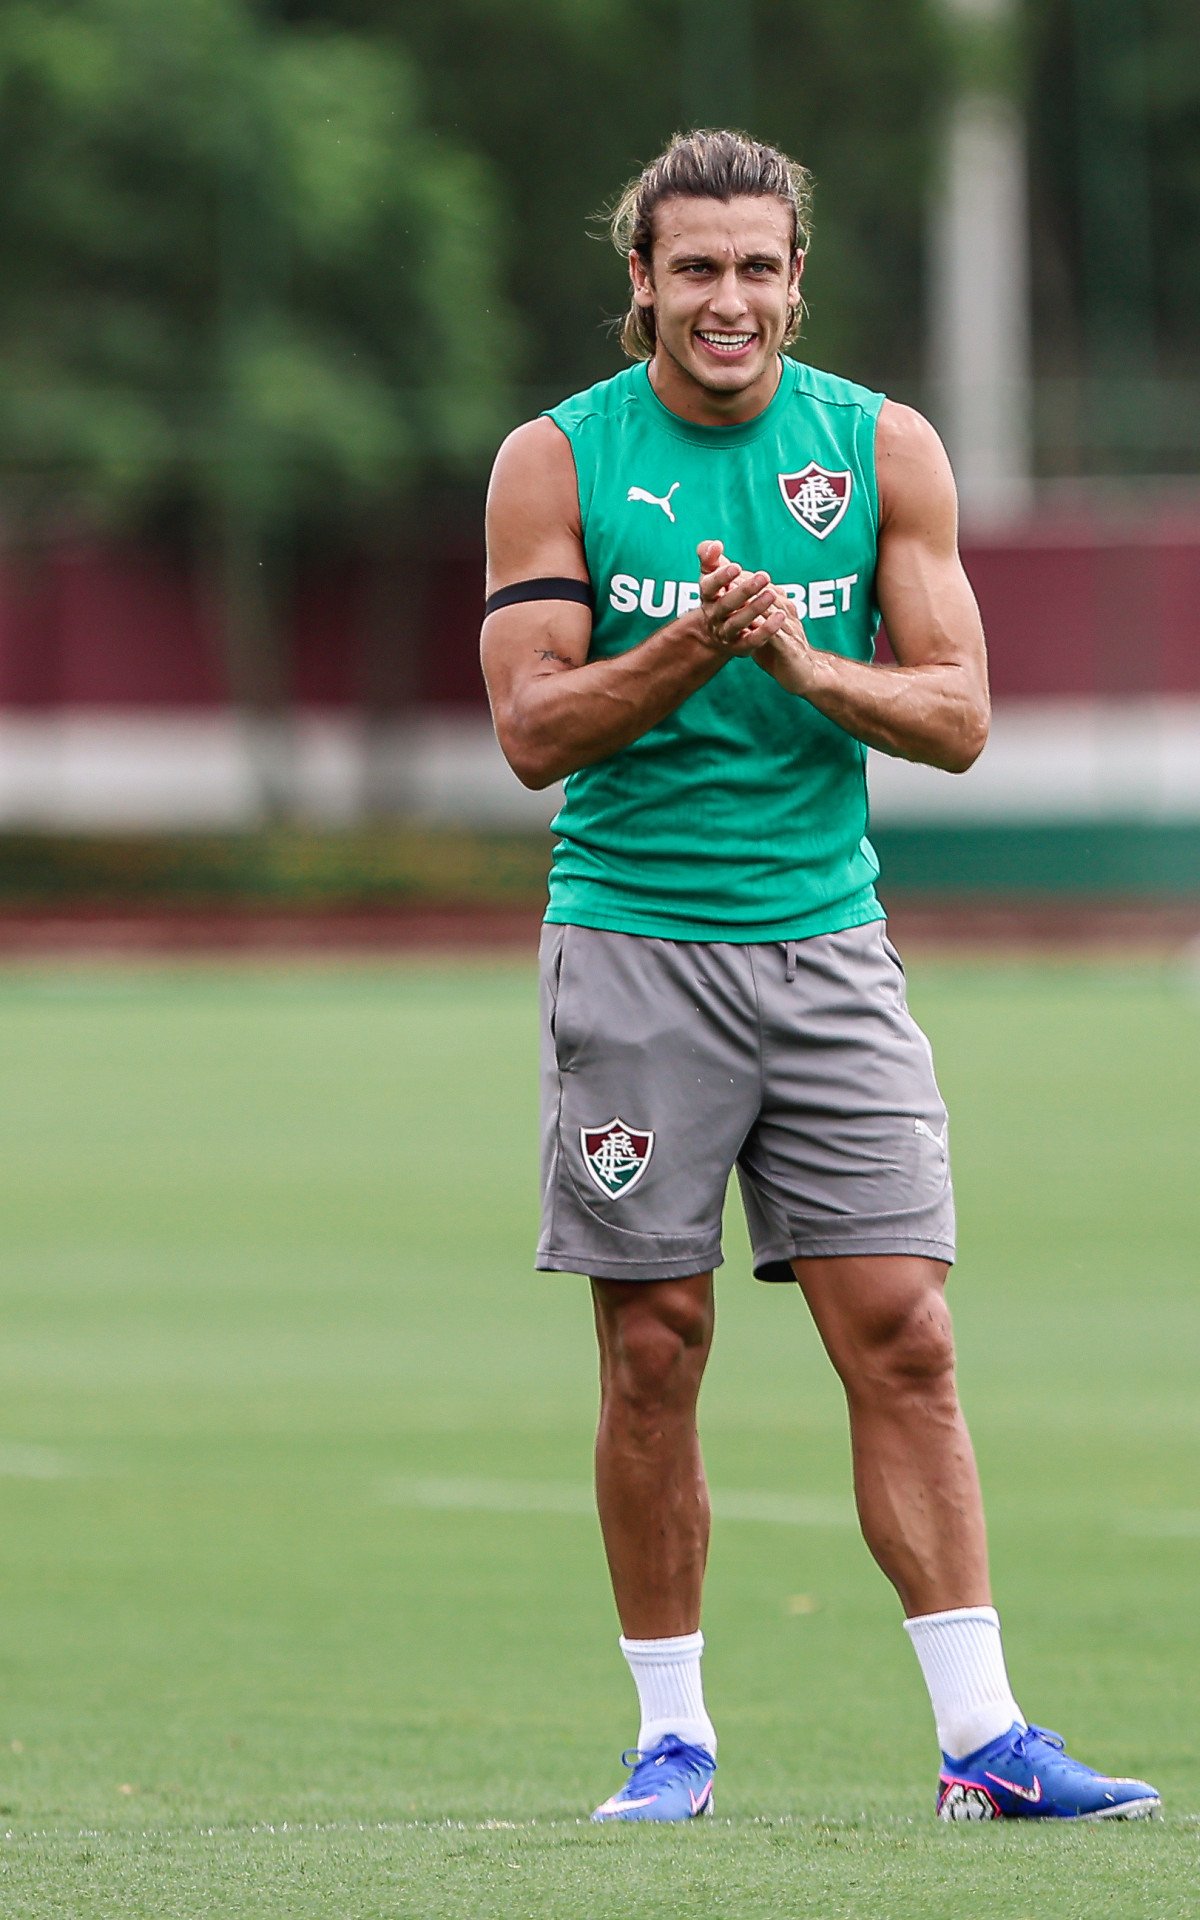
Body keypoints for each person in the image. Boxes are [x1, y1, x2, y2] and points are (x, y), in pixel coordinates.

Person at [480, 129, 1159, 1825]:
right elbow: (530, 728)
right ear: (640, 281)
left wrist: (796, 655)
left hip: (828, 947)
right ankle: (672, 1742)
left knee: (909, 1339)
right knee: (655, 1346)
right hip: (635, 948)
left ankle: (985, 1741)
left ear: (799, 281)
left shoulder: (878, 448)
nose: (729, 299)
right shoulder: (556, 459)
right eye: (693, 267)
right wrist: (686, 647)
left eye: (757, 269)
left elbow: (957, 714)